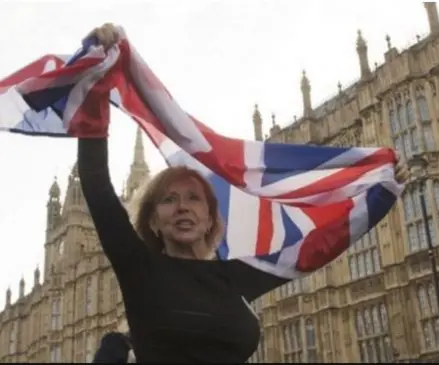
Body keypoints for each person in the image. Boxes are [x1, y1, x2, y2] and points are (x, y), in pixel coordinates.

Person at [81, 23, 411, 363]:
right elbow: (97, 187)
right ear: (152, 221)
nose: (183, 207)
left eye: (194, 198)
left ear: (211, 218)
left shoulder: (234, 276)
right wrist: (95, 79)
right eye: (169, 199)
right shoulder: (140, 270)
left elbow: (315, 249)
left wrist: (381, 194)